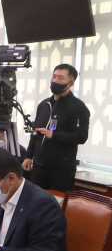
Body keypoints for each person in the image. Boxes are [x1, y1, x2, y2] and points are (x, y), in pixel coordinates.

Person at [23, 64, 90, 193]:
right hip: (39, 168)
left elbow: (81, 136)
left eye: (60, 78)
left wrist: (53, 135)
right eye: (53, 77)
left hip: (61, 170)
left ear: (71, 83)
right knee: (37, 206)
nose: (55, 81)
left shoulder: (78, 107)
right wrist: (28, 156)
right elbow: (35, 133)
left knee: (55, 208)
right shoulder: (44, 104)